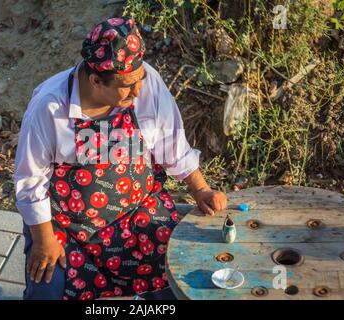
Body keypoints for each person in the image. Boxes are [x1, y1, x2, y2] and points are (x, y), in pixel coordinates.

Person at [14, 16, 227, 300]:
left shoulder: (143, 81)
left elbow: (171, 141)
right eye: (127, 85)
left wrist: (200, 189)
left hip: (139, 213)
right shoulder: (49, 106)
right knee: (47, 290)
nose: (138, 91)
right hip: (69, 228)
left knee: (182, 278)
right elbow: (30, 180)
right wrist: (43, 240)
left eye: (140, 80)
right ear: (95, 81)